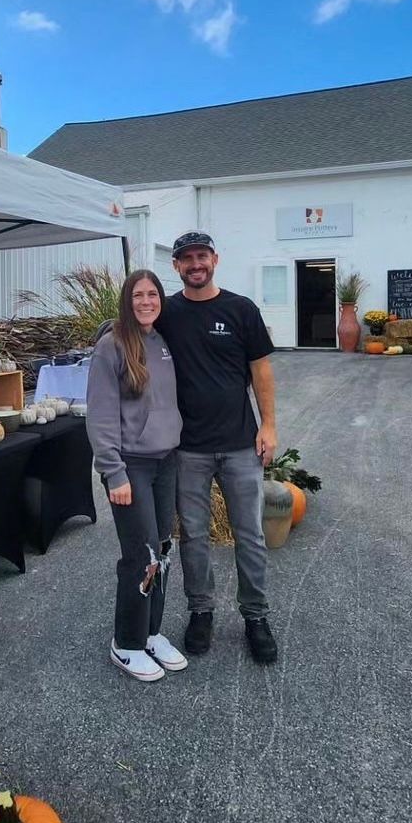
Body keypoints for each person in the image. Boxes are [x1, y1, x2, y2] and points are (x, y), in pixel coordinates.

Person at [156, 231, 278, 663]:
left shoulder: (241, 309)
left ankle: (256, 617)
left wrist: (269, 427)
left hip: (241, 445)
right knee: (193, 536)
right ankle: (201, 611)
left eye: (201, 256)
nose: (195, 264)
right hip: (188, 448)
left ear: (215, 259)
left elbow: (261, 372)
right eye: (186, 258)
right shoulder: (166, 313)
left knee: (250, 535)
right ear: (176, 266)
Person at [86, 269, 188, 682]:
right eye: (137, 295)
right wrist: (114, 473)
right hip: (131, 466)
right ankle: (126, 643)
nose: (146, 302)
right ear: (127, 301)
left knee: (163, 549)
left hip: (167, 461)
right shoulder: (111, 347)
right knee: (140, 555)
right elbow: (101, 415)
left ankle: (151, 632)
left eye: (152, 294)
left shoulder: (162, 342)